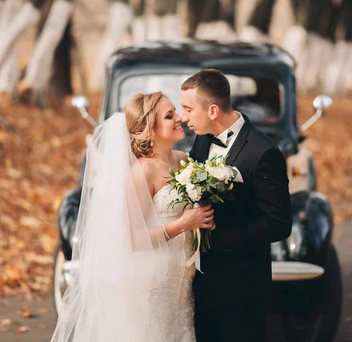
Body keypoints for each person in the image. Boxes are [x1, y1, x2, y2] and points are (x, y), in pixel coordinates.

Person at [51, 92, 214, 342]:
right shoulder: (141, 173)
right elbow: (131, 238)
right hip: (152, 281)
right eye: (169, 116)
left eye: (176, 113)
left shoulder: (183, 161)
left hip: (181, 280)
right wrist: (182, 225)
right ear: (150, 129)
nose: (179, 118)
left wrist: (202, 222)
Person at [181, 69, 292, 342]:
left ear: (213, 111)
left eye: (188, 109)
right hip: (201, 279)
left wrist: (224, 238)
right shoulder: (202, 138)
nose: (183, 118)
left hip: (242, 284)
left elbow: (279, 223)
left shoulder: (264, 153)